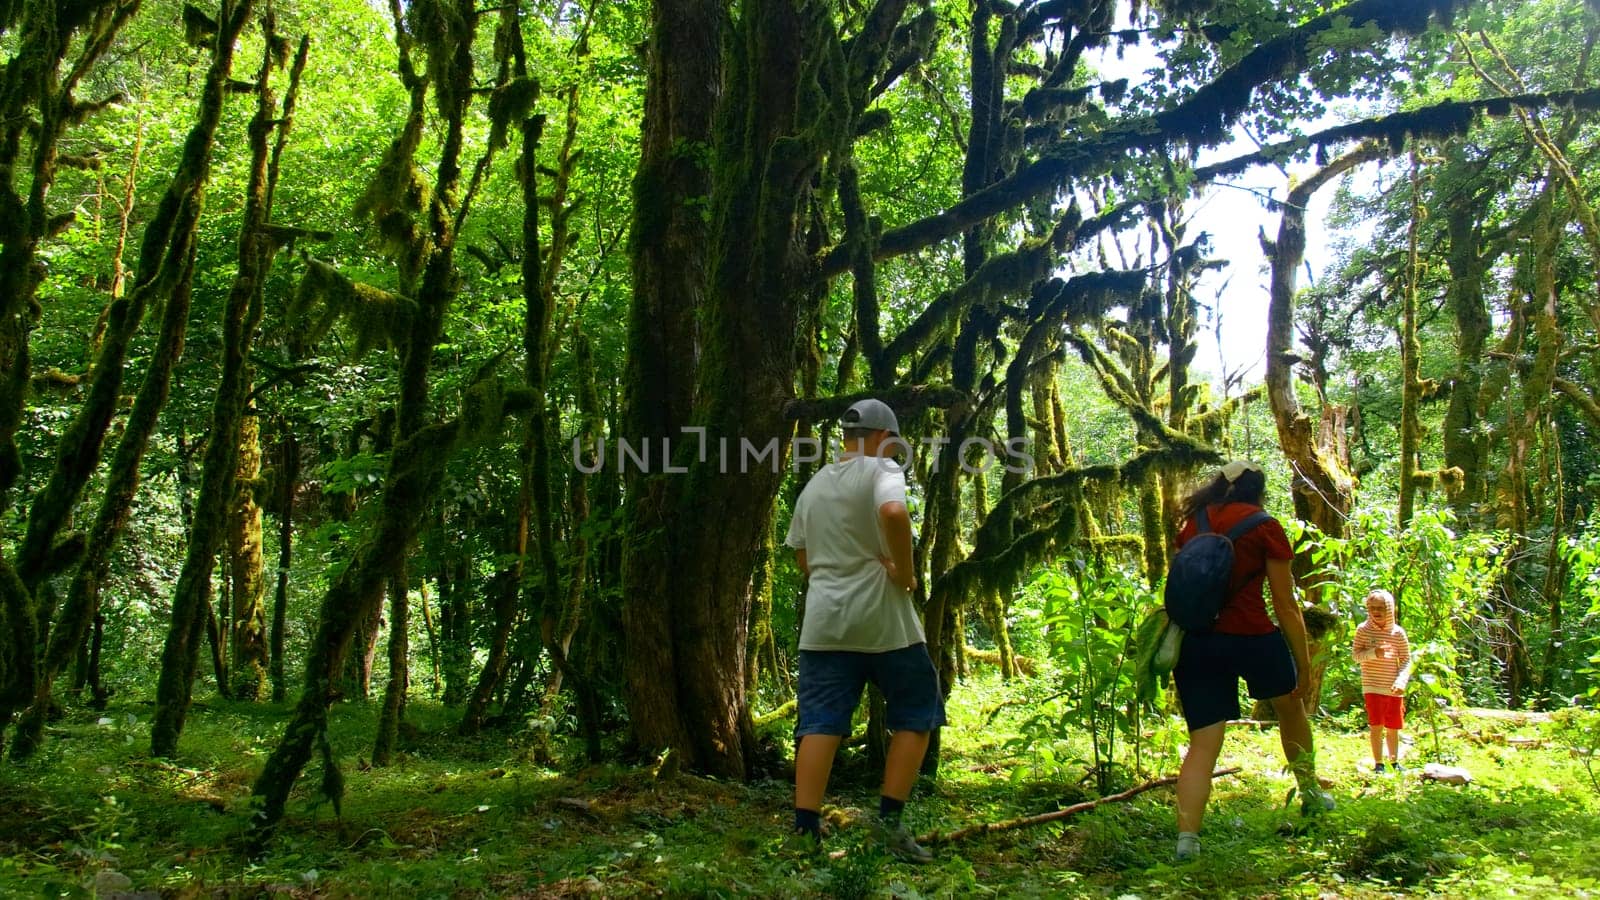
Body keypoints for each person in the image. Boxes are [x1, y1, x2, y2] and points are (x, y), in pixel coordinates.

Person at [782, 398, 944, 863]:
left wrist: (836, 576)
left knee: (819, 723)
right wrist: (904, 573)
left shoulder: (814, 485)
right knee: (917, 710)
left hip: (824, 624)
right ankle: (889, 827)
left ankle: (805, 832)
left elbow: (803, 557)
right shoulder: (882, 469)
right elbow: (894, 514)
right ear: (881, 438)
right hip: (885, 623)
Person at [1170, 460, 1334, 863]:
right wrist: (1303, 663)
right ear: (1257, 491)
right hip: (1254, 637)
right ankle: (1310, 792)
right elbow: (1285, 603)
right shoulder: (1265, 526)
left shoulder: (1193, 524)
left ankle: (1187, 840)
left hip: (1199, 641)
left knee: (1203, 743)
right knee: (1290, 708)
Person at [1352, 589, 1411, 773]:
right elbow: (1356, 656)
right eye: (1372, 608)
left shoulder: (1397, 633)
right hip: (1372, 686)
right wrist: (1373, 653)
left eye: (1381, 608)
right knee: (1376, 725)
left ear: (1389, 609)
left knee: (1393, 726)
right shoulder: (1363, 630)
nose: (1376, 612)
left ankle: (1394, 762)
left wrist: (1401, 681)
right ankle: (1378, 763)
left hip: (1392, 687)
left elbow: (1407, 659)